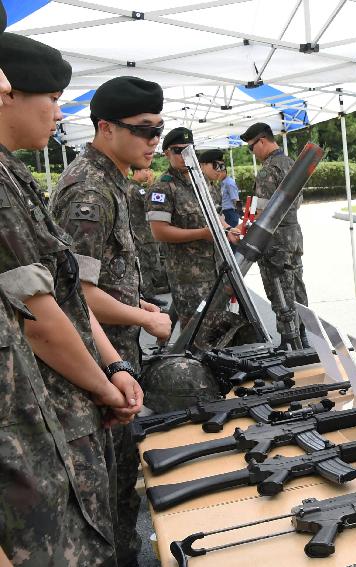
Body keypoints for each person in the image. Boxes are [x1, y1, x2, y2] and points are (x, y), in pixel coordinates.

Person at [0, 31, 143, 565]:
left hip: (69, 405)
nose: (59, 114)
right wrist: (105, 387)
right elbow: (38, 316)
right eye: (52, 98)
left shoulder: (14, 177)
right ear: (9, 94)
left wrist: (114, 365)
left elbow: (66, 297)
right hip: (47, 420)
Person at [49, 75, 172, 567]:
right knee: (112, 502)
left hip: (113, 357)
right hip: (99, 366)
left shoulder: (110, 182)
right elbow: (73, 296)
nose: (154, 142)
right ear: (106, 127)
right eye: (144, 130)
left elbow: (102, 278)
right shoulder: (91, 192)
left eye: (159, 130)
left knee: (122, 489)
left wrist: (134, 306)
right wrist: (145, 321)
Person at [146, 128, 238, 329]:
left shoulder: (203, 182)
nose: (185, 155)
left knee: (219, 330)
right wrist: (203, 234)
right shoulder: (163, 187)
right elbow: (159, 231)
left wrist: (229, 230)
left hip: (216, 270)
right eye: (178, 150)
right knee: (195, 333)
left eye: (190, 149)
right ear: (167, 153)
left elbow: (217, 216)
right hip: (188, 277)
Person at [240, 122, 307, 347]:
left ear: (261, 141)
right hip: (293, 236)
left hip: (275, 241)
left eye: (251, 147)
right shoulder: (291, 163)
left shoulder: (269, 170)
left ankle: (290, 341)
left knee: (279, 288)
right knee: (297, 286)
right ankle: (304, 335)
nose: (253, 153)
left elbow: (264, 212)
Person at [129, 167, 170, 300]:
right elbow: (151, 202)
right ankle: (148, 298)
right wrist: (152, 184)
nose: (149, 173)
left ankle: (149, 297)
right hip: (144, 236)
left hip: (138, 234)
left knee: (147, 266)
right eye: (146, 170)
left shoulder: (128, 186)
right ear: (137, 171)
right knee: (150, 267)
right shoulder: (136, 189)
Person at [201, 149, 240, 228]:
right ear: (202, 165)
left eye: (222, 167)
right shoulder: (197, 185)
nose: (219, 171)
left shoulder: (214, 186)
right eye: (216, 166)